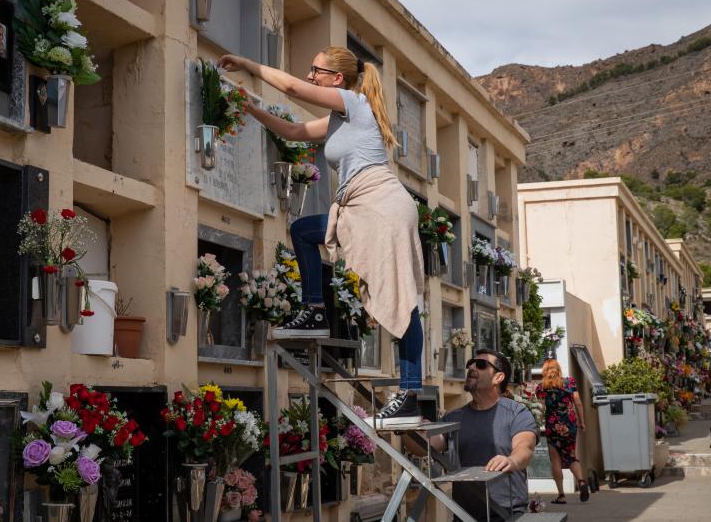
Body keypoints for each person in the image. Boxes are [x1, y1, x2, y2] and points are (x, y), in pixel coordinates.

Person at [219, 47, 425, 426]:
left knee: (401, 296)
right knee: (303, 230)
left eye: (317, 70)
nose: (311, 76)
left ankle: (410, 394)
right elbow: (295, 132)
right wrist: (249, 107)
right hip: (359, 206)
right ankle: (314, 311)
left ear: (337, 79)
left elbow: (294, 91)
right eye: (310, 69)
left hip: (382, 205)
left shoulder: (355, 102)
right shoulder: (338, 119)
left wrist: (248, 63)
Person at [428, 349, 538, 520]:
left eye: (480, 365)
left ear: (498, 378)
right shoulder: (454, 418)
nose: (471, 367)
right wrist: (411, 426)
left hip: (507, 515)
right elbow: (426, 445)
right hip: (464, 516)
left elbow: (525, 448)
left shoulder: (517, 413)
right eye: (470, 364)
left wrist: (511, 460)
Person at [535, 358, 589, 504]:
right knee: (571, 456)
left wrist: (537, 422)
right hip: (569, 424)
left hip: (552, 426)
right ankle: (582, 482)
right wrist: (582, 421)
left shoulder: (541, 387)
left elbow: (540, 409)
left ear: (545, 371)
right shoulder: (569, 382)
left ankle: (561, 495)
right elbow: (577, 401)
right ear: (558, 369)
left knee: (555, 460)